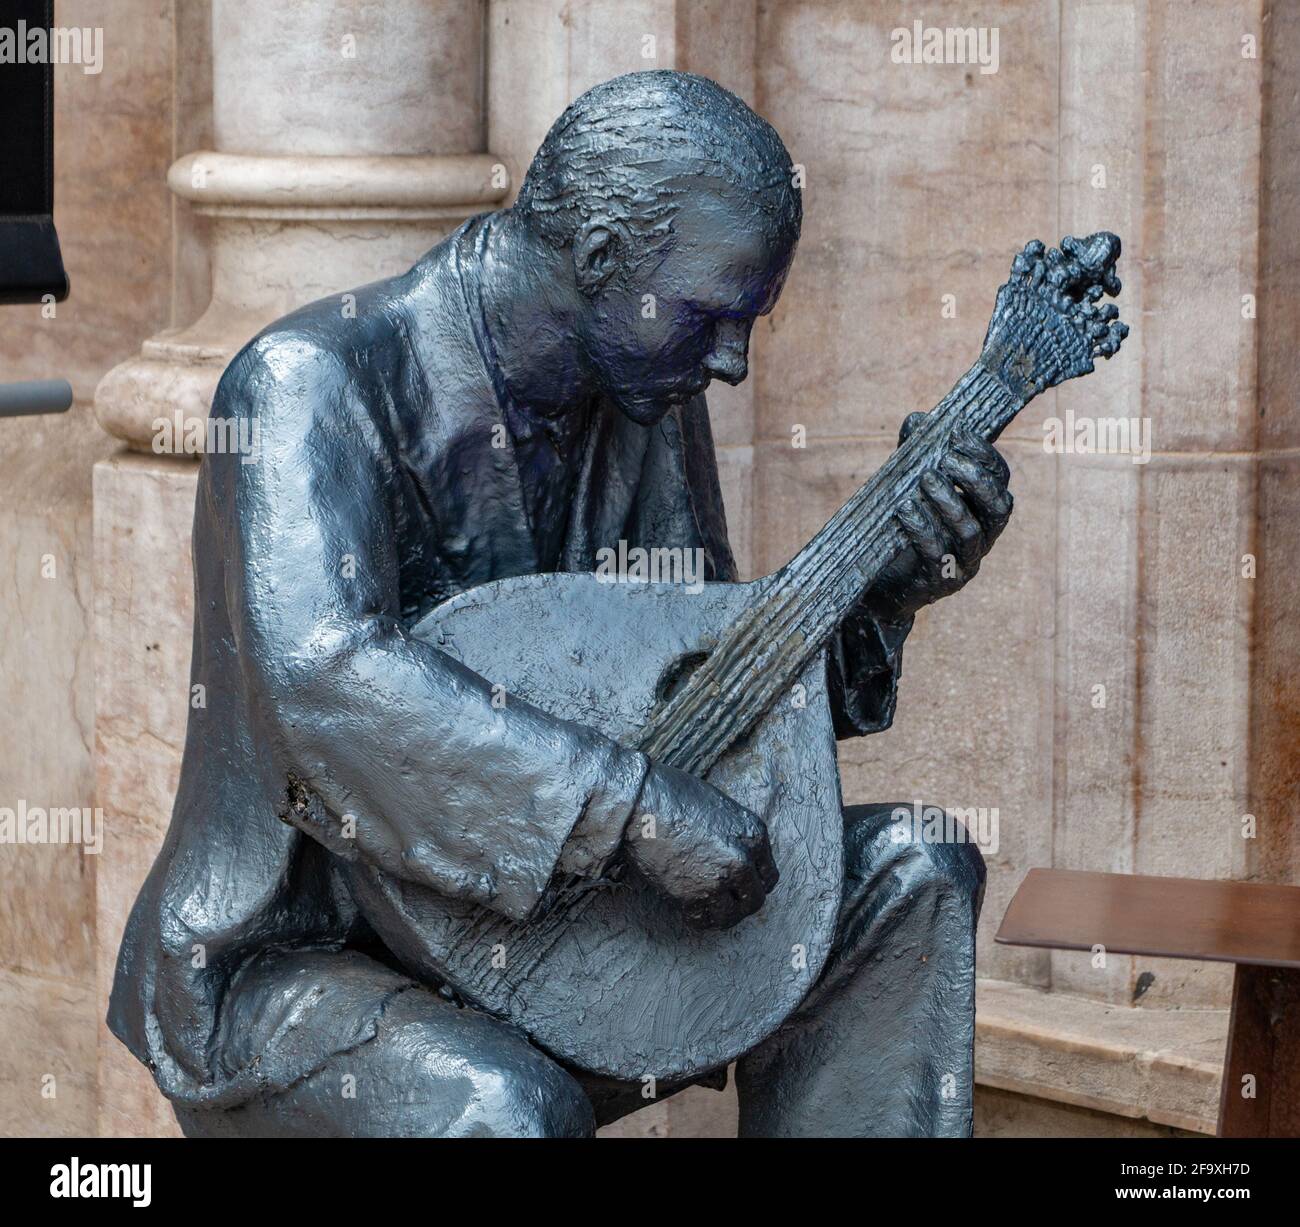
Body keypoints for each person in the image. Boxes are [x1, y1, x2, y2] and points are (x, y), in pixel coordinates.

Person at [110, 70, 1012, 1138]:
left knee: (914, 871)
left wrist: (880, 597)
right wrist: (627, 812)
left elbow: (711, 686)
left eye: (751, 324)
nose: (730, 362)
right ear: (595, 261)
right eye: (710, 318)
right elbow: (326, 684)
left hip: (574, 938)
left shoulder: (643, 392)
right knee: (501, 1107)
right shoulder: (307, 383)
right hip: (308, 958)